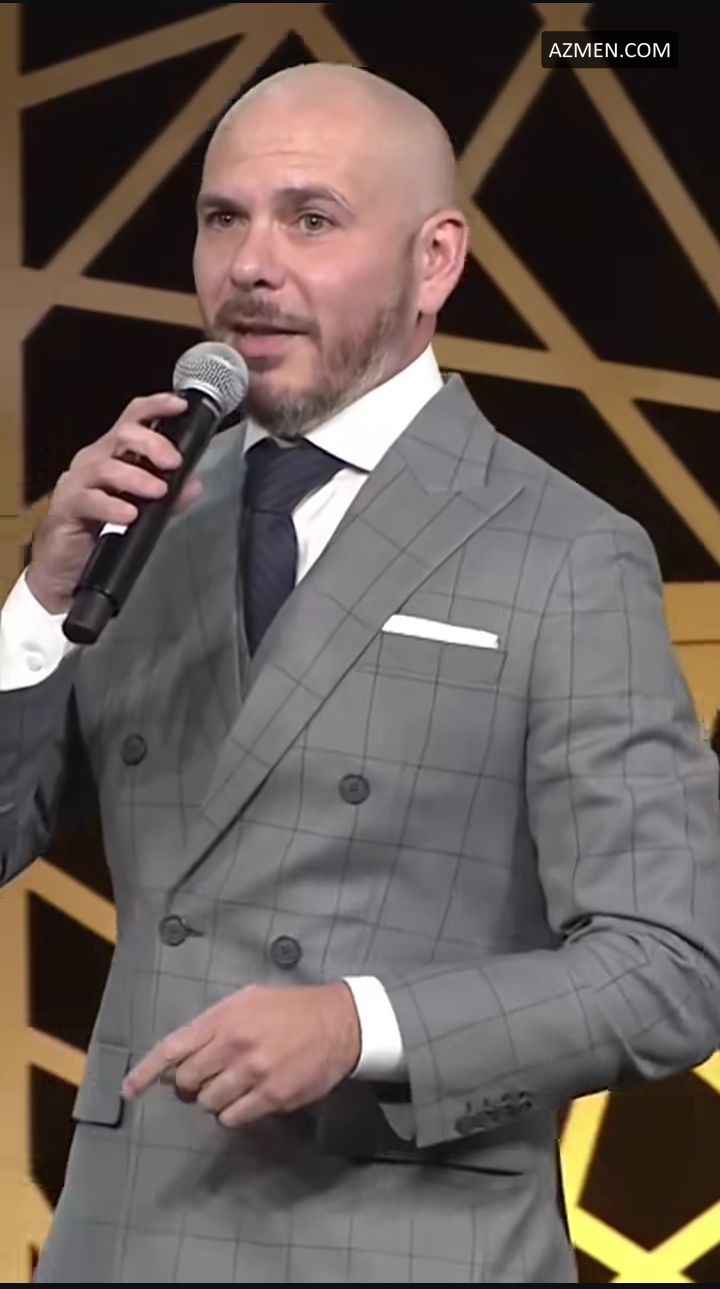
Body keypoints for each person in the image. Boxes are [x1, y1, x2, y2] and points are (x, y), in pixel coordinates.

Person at [1, 62, 719, 1285]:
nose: (250, 265)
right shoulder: (145, 519)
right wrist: (39, 602)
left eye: (311, 219)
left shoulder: (565, 550)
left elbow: (668, 969)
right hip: (129, 1237)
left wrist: (361, 1022)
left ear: (434, 261)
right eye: (223, 218)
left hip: (403, 1241)